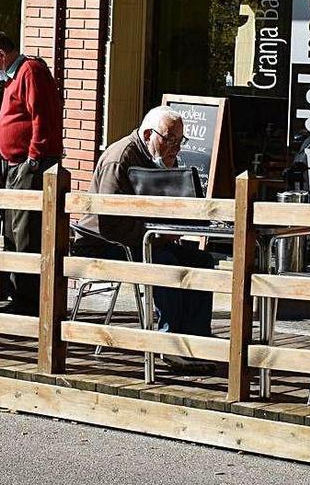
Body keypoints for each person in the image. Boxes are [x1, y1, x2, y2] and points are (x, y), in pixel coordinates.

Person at [73, 106, 216, 373]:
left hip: (143, 239)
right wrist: (157, 236)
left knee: (201, 260)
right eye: (170, 140)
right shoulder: (121, 158)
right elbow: (109, 223)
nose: (176, 148)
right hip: (104, 243)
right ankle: (168, 342)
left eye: (180, 141)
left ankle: (195, 340)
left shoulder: (156, 155)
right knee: (166, 263)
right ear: (149, 134)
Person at [0, 30, 62, 315]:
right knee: (12, 230)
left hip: (28, 164)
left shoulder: (30, 71)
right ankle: (18, 296)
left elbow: (43, 116)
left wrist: (34, 158)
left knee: (25, 232)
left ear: (0, 54)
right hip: (15, 164)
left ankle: (27, 300)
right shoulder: (15, 76)